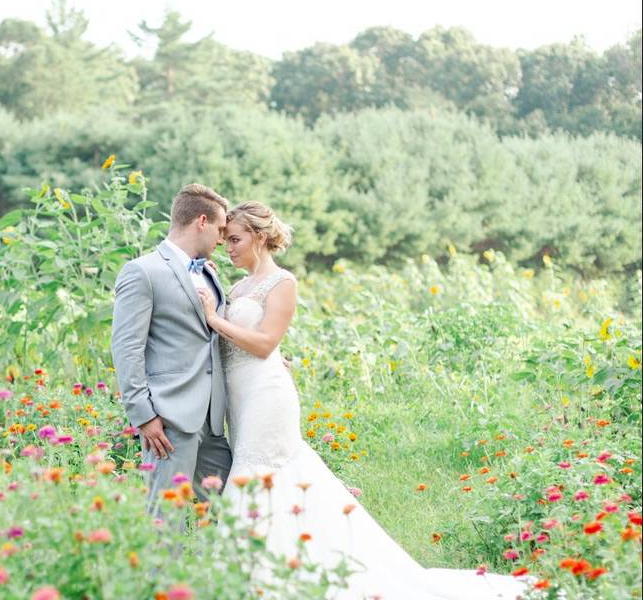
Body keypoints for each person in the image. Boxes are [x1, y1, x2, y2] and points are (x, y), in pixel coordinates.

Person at [196, 201, 529, 599]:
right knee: (269, 480)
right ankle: (274, 574)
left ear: (260, 236)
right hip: (241, 399)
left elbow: (266, 343)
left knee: (262, 476)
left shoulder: (281, 282)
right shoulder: (236, 287)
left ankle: (262, 582)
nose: (228, 247)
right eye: (226, 240)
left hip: (267, 398)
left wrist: (216, 318)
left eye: (235, 239)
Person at [111, 183, 233, 515]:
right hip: (168, 421)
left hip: (212, 420)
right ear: (202, 222)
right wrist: (144, 416)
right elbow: (126, 348)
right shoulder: (143, 272)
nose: (222, 239)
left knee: (234, 514)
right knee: (166, 519)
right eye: (220, 230)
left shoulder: (207, 271)